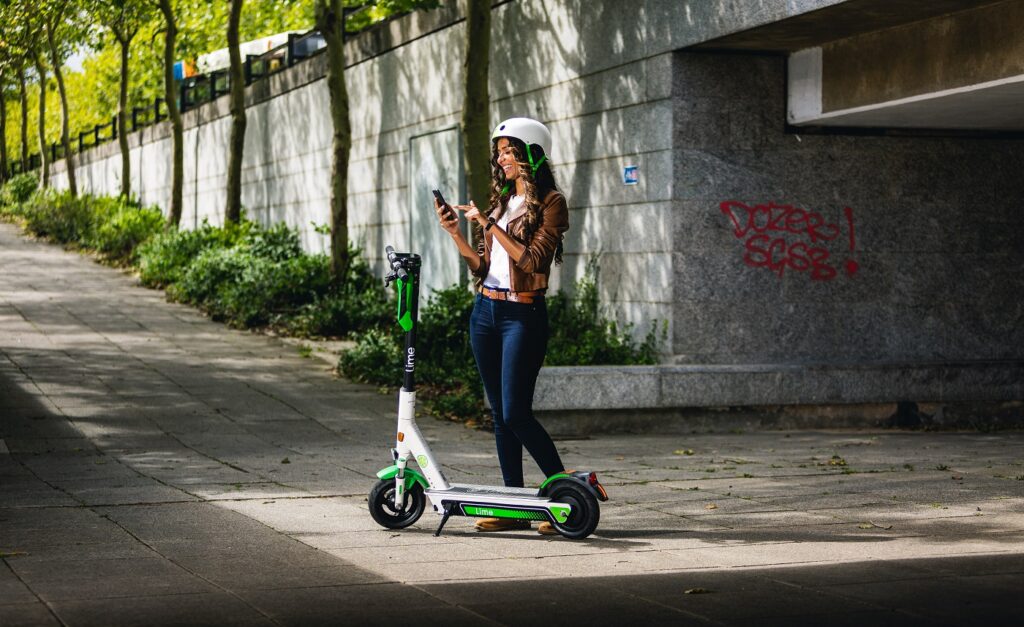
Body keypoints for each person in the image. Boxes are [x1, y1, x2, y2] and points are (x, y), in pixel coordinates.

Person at [434, 117, 568, 535]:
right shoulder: (502, 201)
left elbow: (531, 261)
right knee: (498, 415)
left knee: (516, 413)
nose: (501, 158)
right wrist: (457, 234)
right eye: (499, 151)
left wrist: (489, 224)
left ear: (531, 154)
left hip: (522, 316)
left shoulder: (550, 202)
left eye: (510, 151)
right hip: (486, 312)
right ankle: (514, 507)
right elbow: (482, 265)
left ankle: (562, 498)